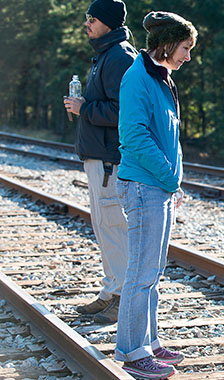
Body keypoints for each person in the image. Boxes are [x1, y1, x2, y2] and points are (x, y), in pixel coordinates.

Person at [113, 11, 197, 380]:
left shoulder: (160, 78)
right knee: (140, 273)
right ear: (166, 44)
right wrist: (169, 177)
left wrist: (173, 179)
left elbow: (168, 137)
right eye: (185, 48)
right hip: (145, 185)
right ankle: (133, 353)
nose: (188, 57)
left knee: (153, 271)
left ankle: (149, 341)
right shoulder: (138, 78)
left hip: (158, 186)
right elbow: (135, 137)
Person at [63, 0, 137, 324]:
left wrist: (84, 108)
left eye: (91, 18)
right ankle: (110, 291)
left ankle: (122, 298)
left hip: (110, 160)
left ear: (107, 22)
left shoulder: (119, 57)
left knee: (115, 228)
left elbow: (125, 111)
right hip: (100, 158)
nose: (86, 23)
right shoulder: (107, 54)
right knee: (104, 227)